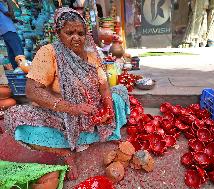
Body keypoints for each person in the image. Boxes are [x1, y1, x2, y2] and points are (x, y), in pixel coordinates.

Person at [4, 7, 130, 181]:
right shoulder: (48, 53)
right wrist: (72, 108)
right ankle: (63, 151)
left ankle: (90, 136)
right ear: (58, 32)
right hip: (60, 116)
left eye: (80, 33)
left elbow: (104, 86)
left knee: (120, 94)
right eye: (69, 32)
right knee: (14, 117)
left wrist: (107, 104)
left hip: (92, 114)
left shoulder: (92, 56)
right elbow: (32, 91)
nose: (76, 38)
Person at [0, 0, 24, 69]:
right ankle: (22, 68)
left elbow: (8, 16)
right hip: (8, 29)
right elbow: (11, 14)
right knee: (18, 50)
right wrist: (9, 2)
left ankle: (16, 69)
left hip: (4, 30)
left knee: (11, 51)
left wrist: (15, 20)